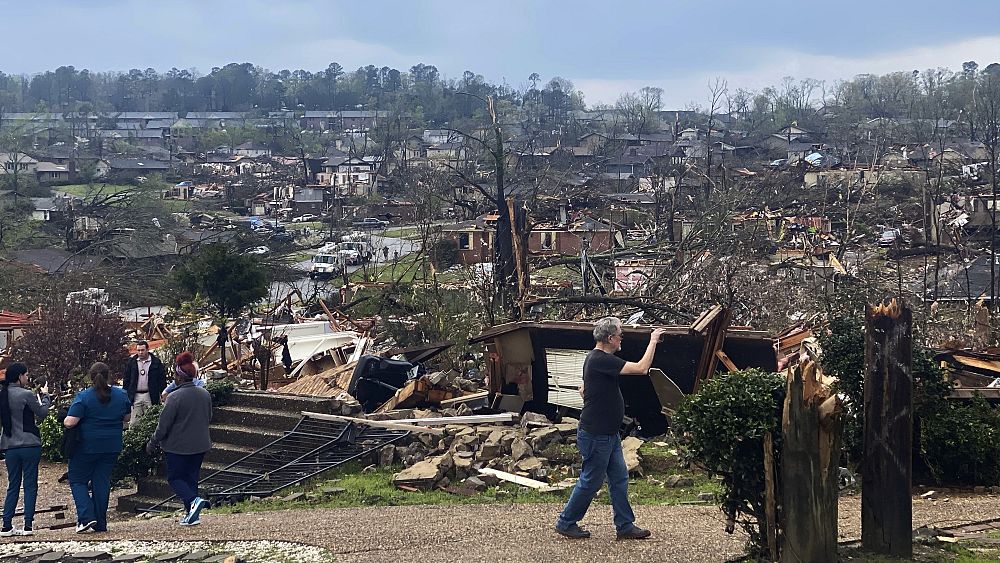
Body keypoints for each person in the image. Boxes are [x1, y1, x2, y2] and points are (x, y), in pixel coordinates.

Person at [555, 318, 667, 540]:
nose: (621, 339)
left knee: (619, 477)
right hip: (597, 435)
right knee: (591, 480)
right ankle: (566, 521)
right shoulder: (600, 359)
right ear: (610, 338)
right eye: (620, 335)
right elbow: (642, 368)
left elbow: (586, 388)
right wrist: (653, 340)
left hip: (608, 434)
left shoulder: (597, 359)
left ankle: (625, 525)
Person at [64, 362, 131, 534]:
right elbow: (127, 418)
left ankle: (86, 517)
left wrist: (64, 417)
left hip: (87, 445)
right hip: (112, 445)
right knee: (101, 481)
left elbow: (70, 422)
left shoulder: (84, 397)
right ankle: (100, 522)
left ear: (91, 377)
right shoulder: (121, 394)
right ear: (109, 375)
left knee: (77, 480)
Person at [148, 351, 213, 526]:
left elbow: (164, 425)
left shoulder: (174, 397)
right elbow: (209, 417)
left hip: (178, 446)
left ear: (179, 376)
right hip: (200, 444)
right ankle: (192, 515)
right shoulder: (204, 393)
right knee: (191, 478)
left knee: (175, 477)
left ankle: (193, 501)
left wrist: (153, 441)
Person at [0, 363, 50, 537]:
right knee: (30, 486)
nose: (27, 378)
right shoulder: (26, 394)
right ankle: (28, 525)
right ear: (19, 376)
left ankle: (6, 525)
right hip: (29, 444)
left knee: (12, 486)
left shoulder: (3, 395)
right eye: (26, 375)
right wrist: (45, 397)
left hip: (10, 445)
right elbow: (42, 413)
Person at [122, 340, 167, 429]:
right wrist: (125, 393)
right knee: (134, 423)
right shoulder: (132, 362)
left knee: (151, 421)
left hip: (150, 394)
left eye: (142, 350)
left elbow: (161, 379)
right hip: (136, 395)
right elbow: (127, 379)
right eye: (138, 350)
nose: (140, 352)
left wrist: (163, 392)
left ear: (147, 350)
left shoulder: (155, 362)